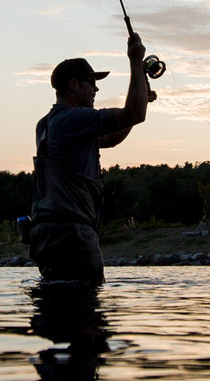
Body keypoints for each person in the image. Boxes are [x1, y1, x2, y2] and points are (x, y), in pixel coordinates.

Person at [26, 29, 152, 283]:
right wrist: (135, 61)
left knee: (58, 308)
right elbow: (134, 113)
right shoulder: (74, 118)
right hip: (71, 234)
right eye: (91, 82)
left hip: (49, 234)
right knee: (84, 309)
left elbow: (110, 138)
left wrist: (142, 98)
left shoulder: (47, 124)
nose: (96, 89)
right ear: (74, 85)